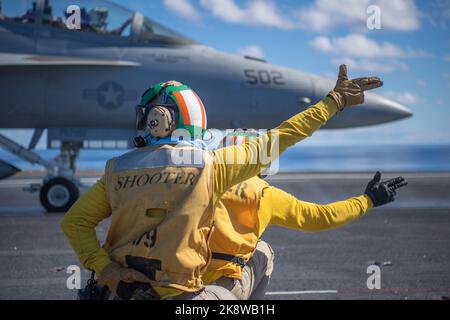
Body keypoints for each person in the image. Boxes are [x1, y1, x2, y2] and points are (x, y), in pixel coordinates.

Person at [61, 65, 383, 300]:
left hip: (119, 293)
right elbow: (282, 137)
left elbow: (74, 223)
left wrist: (110, 272)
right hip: (183, 301)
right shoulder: (212, 169)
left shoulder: (116, 169)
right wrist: (334, 101)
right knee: (262, 254)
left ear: (158, 119)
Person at [173, 129, 407, 300]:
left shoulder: (198, 180)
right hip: (222, 289)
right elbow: (321, 217)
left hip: (180, 282)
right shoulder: (265, 193)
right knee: (264, 250)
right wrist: (368, 200)